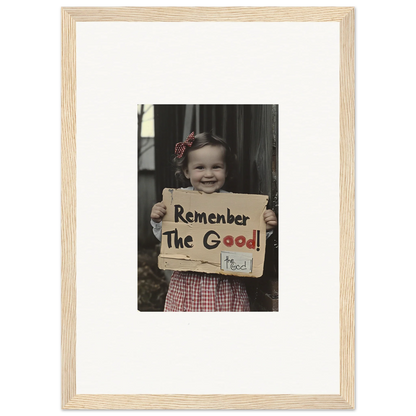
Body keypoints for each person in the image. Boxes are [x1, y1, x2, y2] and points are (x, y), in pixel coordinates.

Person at [150, 131, 277, 312]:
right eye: (200, 167)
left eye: (216, 167)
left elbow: (249, 241)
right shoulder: (177, 202)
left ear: (226, 170)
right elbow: (167, 238)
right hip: (188, 283)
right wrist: (158, 219)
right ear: (186, 171)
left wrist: (266, 226)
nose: (208, 174)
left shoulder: (236, 205)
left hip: (225, 283)